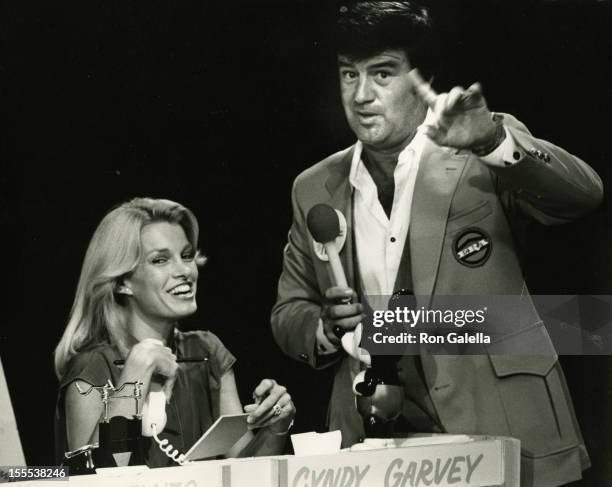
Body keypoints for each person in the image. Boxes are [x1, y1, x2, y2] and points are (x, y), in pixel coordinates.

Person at [271, 2, 602, 486]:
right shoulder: (314, 186)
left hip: (496, 423)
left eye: (382, 74)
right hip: (370, 437)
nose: (361, 95)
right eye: (349, 75)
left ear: (421, 79)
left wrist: (490, 140)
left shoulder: (478, 149)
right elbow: (288, 311)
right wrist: (321, 327)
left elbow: (582, 195)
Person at [55, 197, 295, 468]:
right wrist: (136, 372)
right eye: (160, 260)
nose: (185, 271)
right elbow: (93, 478)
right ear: (122, 282)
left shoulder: (207, 352)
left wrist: (277, 426)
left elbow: (247, 475)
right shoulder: (92, 368)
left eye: (187, 256)